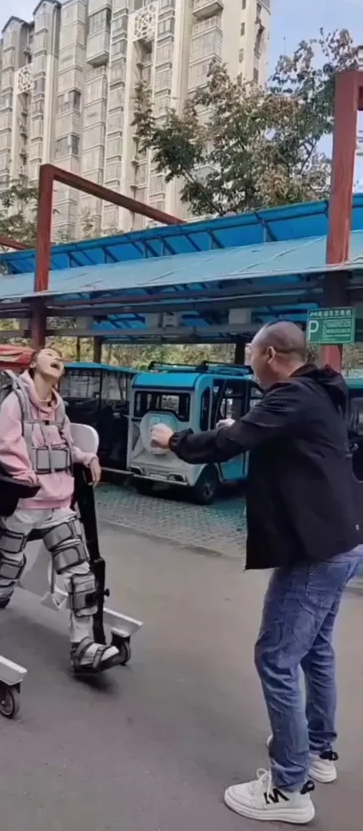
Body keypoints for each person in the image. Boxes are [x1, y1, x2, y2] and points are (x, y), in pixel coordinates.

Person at [151, 321, 361, 825]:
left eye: (250, 352)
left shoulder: (291, 397)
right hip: (341, 538)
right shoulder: (318, 392)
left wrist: (174, 439)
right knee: (314, 649)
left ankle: (289, 786)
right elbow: (261, 435)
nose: (247, 360)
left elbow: (232, 443)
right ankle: (318, 751)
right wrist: (234, 431)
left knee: (276, 657)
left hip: (315, 551)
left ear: (270, 354)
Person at [0, 346, 122, 674]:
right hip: (24, 504)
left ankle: (83, 647)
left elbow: (66, 443)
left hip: (59, 504)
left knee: (81, 576)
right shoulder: (16, 401)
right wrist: (28, 479)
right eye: (50, 353)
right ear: (33, 364)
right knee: (3, 574)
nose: (57, 358)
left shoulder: (58, 405)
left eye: (60, 357)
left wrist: (86, 457)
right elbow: (5, 447)